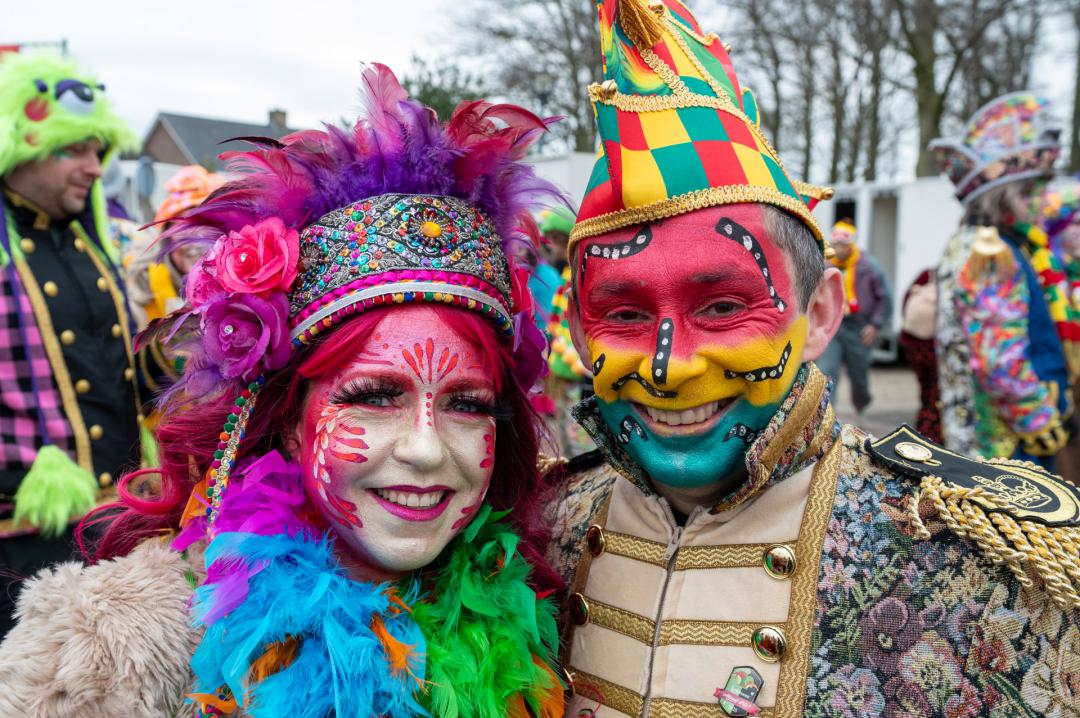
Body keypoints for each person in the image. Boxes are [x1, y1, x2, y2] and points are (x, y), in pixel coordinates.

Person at [544, 2, 1080, 716]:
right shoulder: (539, 529)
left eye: (723, 307)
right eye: (625, 315)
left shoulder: (994, 560)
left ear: (821, 313)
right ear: (581, 336)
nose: (670, 369)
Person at [0, 64, 567, 717]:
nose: (426, 449)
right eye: (374, 395)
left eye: (467, 404)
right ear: (289, 418)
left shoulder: (539, 611)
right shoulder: (110, 653)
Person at [0, 52, 148, 638]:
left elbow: (120, 373)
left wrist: (185, 352)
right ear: (22, 146)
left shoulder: (90, 245)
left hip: (111, 523)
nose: (95, 168)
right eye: (77, 150)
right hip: (21, 537)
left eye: (98, 151)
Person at [930, 93, 1072, 471]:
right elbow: (1000, 360)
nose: (1040, 201)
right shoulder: (989, 251)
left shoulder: (991, 244)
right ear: (1000, 197)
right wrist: (1040, 420)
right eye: (1029, 191)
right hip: (1005, 450)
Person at [124, 164, 225, 330]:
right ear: (168, 233)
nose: (199, 240)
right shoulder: (141, 285)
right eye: (188, 227)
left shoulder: (233, 288)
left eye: (210, 227)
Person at [816, 219, 889, 414]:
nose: (837, 249)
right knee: (828, 371)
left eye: (841, 245)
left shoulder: (869, 267)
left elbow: (885, 299)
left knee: (858, 377)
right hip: (835, 325)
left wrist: (875, 325)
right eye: (834, 244)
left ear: (850, 245)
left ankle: (862, 400)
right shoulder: (825, 265)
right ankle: (826, 415)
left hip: (859, 327)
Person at [898, 268, 941, 442]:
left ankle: (923, 427)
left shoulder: (927, 274)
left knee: (926, 389)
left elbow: (906, 299)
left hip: (913, 344)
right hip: (934, 348)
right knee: (934, 394)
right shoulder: (955, 279)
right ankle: (929, 432)